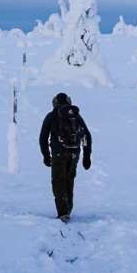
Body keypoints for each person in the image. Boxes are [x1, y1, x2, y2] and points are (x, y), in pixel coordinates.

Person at [39, 92, 92, 222]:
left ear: (54, 103)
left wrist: (46, 156)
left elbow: (43, 138)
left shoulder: (51, 116)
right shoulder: (76, 116)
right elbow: (87, 135)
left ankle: (63, 212)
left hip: (58, 154)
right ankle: (68, 209)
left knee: (58, 181)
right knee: (69, 180)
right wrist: (86, 156)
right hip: (74, 153)